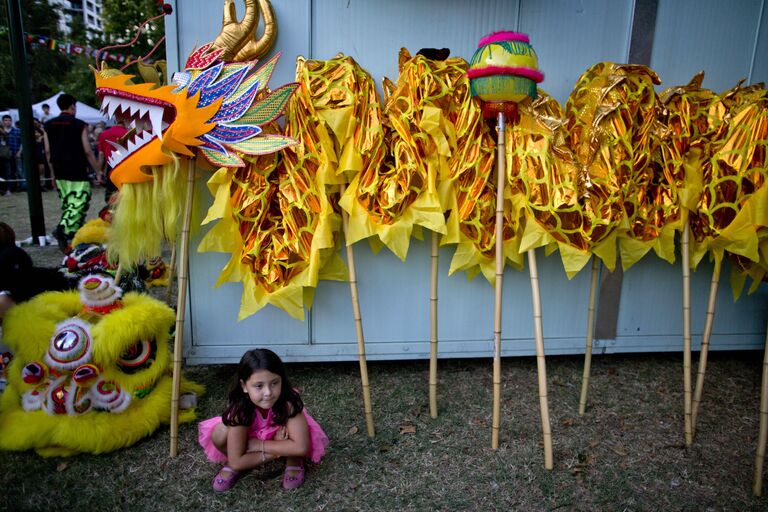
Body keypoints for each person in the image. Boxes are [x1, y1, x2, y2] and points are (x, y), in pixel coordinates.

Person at [198, 348, 329, 492]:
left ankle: (293, 459)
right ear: (244, 386)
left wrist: (260, 444)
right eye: (259, 386)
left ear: (282, 380)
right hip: (261, 439)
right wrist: (276, 450)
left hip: (280, 435)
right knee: (220, 433)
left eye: (274, 383)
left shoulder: (288, 403)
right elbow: (237, 462)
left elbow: (301, 447)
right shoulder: (240, 411)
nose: (268, 392)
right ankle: (278, 451)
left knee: (295, 439)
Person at [44, 93, 101, 251]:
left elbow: (48, 151)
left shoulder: (48, 125)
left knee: (68, 203)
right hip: (76, 169)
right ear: (72, 107)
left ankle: (73, 235)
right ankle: (62, 230)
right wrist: (97, 170)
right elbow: (88, 150)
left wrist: (52, 174)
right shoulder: (79, 124)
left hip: (59, 169)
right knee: (79, 201)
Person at [97, 119, 128, 202]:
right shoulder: (129, 134)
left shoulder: (104, 134)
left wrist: (99, 171)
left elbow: (101, 155)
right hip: (125, 169)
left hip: (110, 169)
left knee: (110, 197)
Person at [0, 114, 21, 195]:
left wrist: (19, 152)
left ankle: (11, 188)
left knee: (12, 172)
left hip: (13, 154)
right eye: (5, 120)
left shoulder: (17, 131)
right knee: (4, 173)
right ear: (2, 121)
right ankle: (4, 189)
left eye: (9, 120)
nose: (7, 122)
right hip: (2, 155)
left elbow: (22, 142)